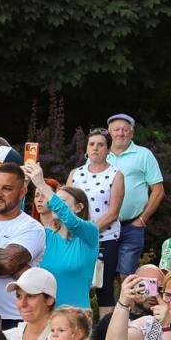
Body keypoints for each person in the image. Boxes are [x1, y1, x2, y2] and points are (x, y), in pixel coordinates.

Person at [0, 163, 44, 321]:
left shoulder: (32, 228)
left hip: (14, 317)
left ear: (22, 192)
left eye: (7, 189)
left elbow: (8, 262)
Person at [24, 164, 98, 311]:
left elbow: (71, 221)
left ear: (79, 208)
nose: (53, 205)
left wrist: (41, 184)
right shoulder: (45, 235)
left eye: (61, 202)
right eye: (53, 201)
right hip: (47, 317)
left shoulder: (89, 233)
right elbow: (19, 225)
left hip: (77, 318)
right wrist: (23, 185)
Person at [66, 129, 125, 311]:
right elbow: (66, 204)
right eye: (92, 144)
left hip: (105, 240)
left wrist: (87, 231)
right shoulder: (76, 173)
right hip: (76, 239)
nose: (95, 148)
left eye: (101, 145)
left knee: (104, 289)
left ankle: (106, 334)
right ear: (86, 148)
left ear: (108, 149)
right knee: (76, 287)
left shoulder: (116, 175)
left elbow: (113, 212)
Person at [105, 114, 165, 284]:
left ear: (131, 133)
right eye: (116, 130)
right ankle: (114, 309)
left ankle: (131, 308)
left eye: (125, 130)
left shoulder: (144, 154)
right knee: (105, 275)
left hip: (132, 225)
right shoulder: (101, 154)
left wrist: (142, 219)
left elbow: (158, 190)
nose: (121, 133)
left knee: (127, 274)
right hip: (104, 225)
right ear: (109, 133)